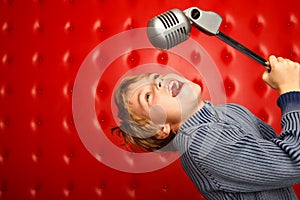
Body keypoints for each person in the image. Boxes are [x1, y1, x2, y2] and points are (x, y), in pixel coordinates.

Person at [111, 55, 300, 199]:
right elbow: (295, 162)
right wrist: (291, 91)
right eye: (147, 96)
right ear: (161, 129)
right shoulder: (201, 145)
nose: (160, 82)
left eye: (156, 77)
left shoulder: (230, 110)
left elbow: (285, 148)